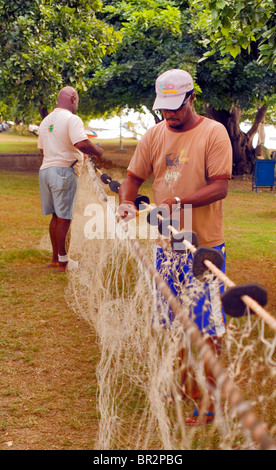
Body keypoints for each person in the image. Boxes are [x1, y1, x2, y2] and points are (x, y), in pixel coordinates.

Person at [117, 69, 232, 425]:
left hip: (203, 249)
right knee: (174, 323)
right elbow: (133, 177)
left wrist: (178, 201)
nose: (170, 115)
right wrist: (126, 201)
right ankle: (186, 386)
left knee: (205, 327)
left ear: (191, 98)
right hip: (165, 247)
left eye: (176, 108)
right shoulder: (154, 135)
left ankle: (211, 401)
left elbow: (220, 186)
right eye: (164, 109)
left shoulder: (214, 133)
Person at [38, 86, 104, 272]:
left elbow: (43, 149)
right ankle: (64, 262)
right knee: (65, 218)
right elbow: (81, 143)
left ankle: (55, 259)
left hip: (45, 172)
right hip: (64, 172)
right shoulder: (72, 119)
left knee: (56, 217)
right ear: (73, 98)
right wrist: (98, 152)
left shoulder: (46, 121)